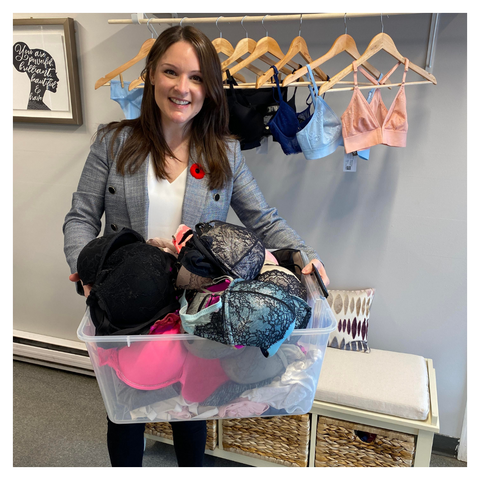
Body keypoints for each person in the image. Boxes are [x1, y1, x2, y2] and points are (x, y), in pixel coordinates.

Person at [63, 25, 329, 468]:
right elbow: (80, 218)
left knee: (192, 407)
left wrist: (303, 256)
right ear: (151, 75)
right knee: (124, 414)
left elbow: (262, 219)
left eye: (197, 77)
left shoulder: (224, 152)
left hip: (196, 303)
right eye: (171, 72)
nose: (183, 88)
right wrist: (89, 275)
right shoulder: (112, 143)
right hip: (129, 301)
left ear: (209, 86)